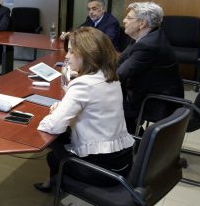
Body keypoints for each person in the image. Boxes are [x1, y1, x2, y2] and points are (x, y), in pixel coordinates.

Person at [35, 27, 135, 192]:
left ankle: (54, 184)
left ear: (87, 55)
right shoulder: (111, 77)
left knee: (52, 142)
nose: (66, 56)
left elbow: (52, 126)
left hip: (102, 171)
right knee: (57, 147)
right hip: (123, 162)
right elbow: (95, 109)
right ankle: (52, 183)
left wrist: (54, 113)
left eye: (71, 52)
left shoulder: (83, 84)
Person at [118, 1, 184, 133]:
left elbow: (119, 74)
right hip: (147, 91)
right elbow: (120, 62)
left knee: (106, 102)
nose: (124, 20)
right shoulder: (143, 37)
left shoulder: (148, 46)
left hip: (157, 102)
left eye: (129, 18)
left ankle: (128, 140)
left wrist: (90, 75)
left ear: (142, 24)